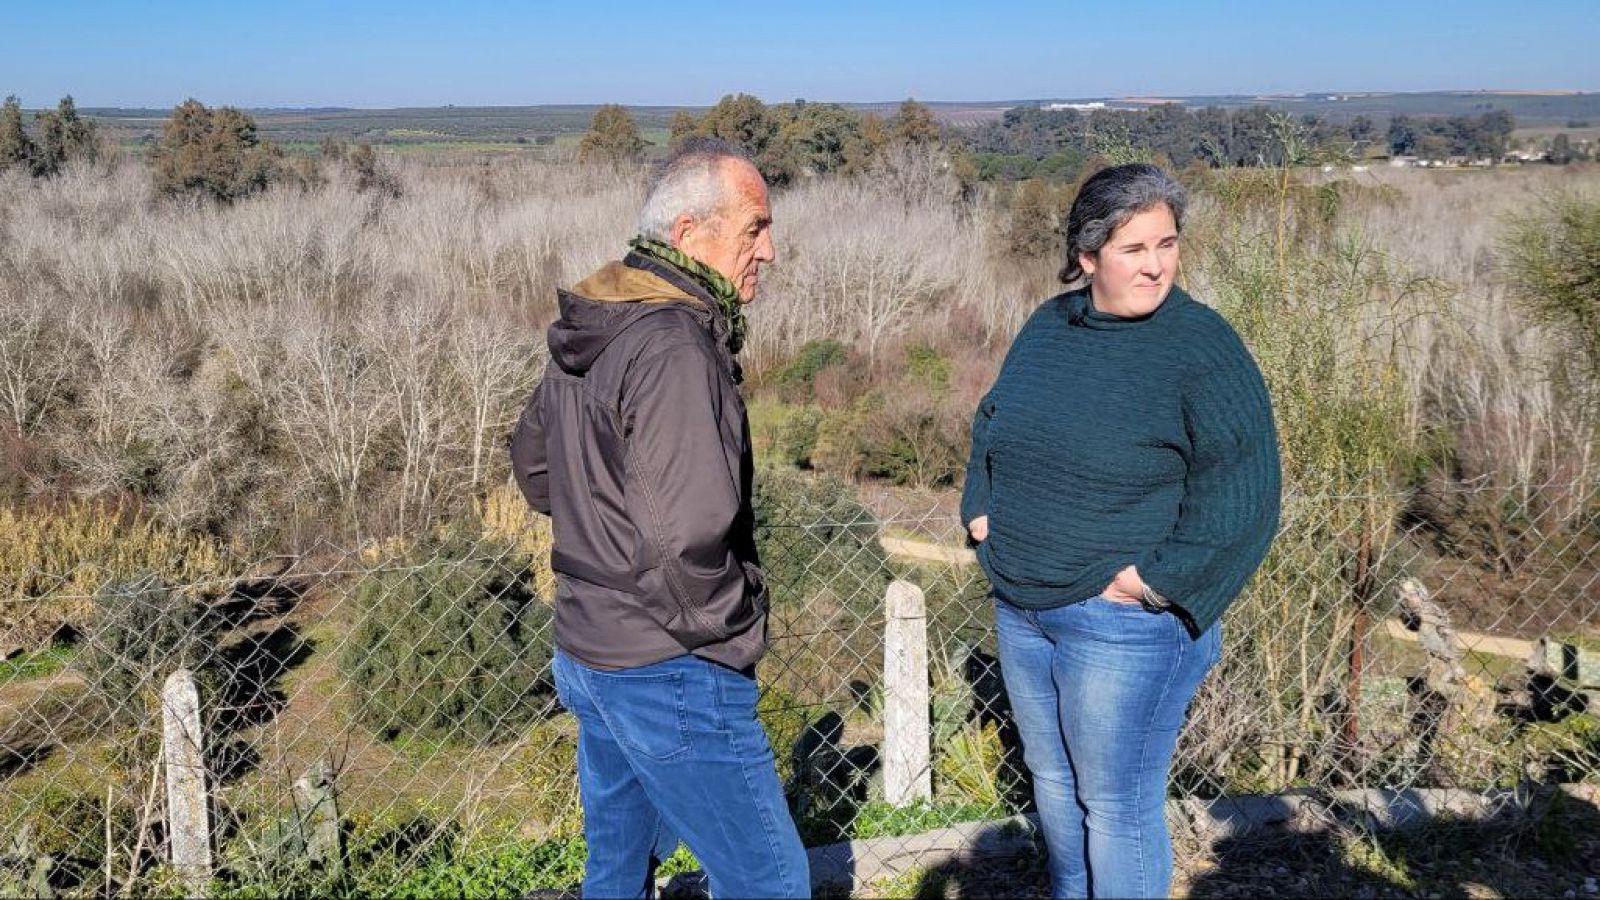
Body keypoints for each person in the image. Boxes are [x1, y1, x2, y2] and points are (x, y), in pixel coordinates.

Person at [960, 162, 1281, 899]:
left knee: (1115, 806)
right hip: (1022, 606)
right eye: (1135, 249)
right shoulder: (1048, 326)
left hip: (1124, 626)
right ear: (1088, 256)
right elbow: (993, 421)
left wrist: (1154, 584)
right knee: (1053, 784)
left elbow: (1246, 489)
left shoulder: (1200, 346)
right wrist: (980, 506)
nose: (1157, 264)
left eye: (1167, 244)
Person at [509, 138, 809, 898]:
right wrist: (723, 636)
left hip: (589, 647)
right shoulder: (674, 344)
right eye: (754, 227)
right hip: (668, 666)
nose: (769, 250)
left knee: (615, 871)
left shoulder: (596, 322)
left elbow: (540, 476)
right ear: (688, 235)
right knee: (769, 881)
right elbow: (686, 537)